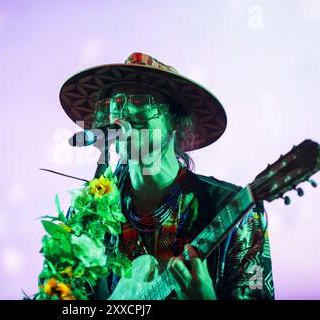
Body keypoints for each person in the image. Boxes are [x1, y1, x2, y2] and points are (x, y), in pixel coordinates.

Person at [59, 52, 275, 300]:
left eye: (141, 102)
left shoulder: (237, 210)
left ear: (175, 120)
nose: (124, 113)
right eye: (115, 104)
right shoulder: (87, 214)